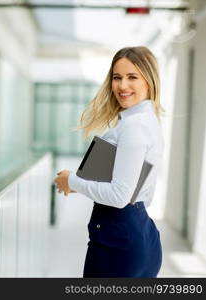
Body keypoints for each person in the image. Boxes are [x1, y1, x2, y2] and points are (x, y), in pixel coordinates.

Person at [54, 46, 165, 278]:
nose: (122, 86)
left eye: (132, 77)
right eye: (117, 77)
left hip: (119, 244)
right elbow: (139, 191)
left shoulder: (134, 127)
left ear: (148, 81)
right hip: (137, 235)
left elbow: (119, 196)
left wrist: (72, 181)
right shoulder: (145, 120)